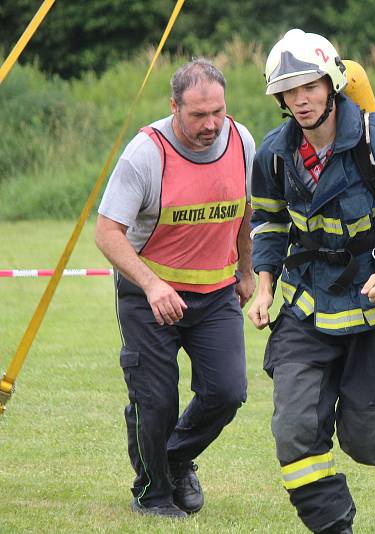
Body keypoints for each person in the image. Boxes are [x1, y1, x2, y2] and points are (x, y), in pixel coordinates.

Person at [247, 29, 375, 534]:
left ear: (332, 83)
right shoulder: (275, 154)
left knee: (371, 444)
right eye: (289, 91)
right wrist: (264, 285)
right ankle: (333, 525)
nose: (300, 99)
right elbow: (270, 224)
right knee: (294, 430)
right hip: (306, 306)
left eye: (310, 86)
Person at [95, 58, 256, 518]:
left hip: (216, 295)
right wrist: (151, 286)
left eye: (217, 113)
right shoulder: (145, 154)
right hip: (151, 298)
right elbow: (107, 233)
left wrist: (246, 272)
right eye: (198, 115)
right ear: (174, 108)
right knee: (156, 400)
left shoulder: (242, 142)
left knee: (227, 392)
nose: (210, 126)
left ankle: (173, 459)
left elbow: (244, 212)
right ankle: (154, 494)